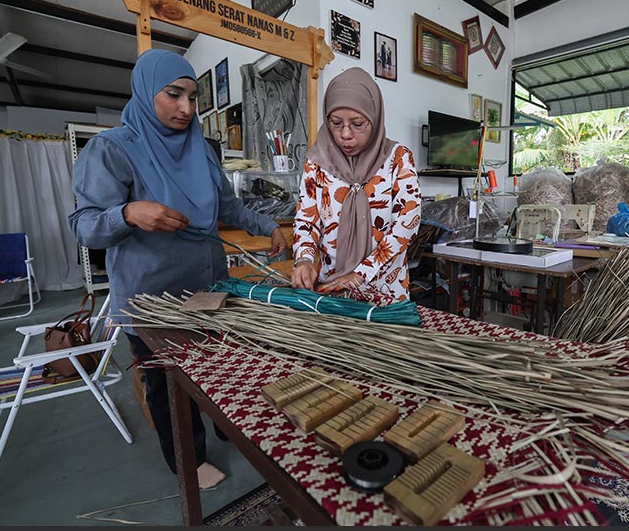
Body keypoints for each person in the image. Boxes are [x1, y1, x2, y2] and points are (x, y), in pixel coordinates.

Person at [69, 49, 287, 488]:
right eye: (173, 95)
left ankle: (229, 424)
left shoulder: (200, 149)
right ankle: (188, 457)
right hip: (153, 299)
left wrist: (267, 226)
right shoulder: (112, 150)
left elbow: (226, 204)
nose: (186, 108)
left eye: (192, 97)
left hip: (210, 287)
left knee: (222, 365)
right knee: (169, 384)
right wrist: (128, 214)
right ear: (147, 92)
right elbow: (85, 227)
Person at [292, 67, 420, 301]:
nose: (345, 134)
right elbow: (307, 220)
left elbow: (406, 225)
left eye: (358, 123)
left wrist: (360, 273)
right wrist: (305, 259)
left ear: (375, 117)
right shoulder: (317, 163)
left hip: (385, 291)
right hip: (331, 292)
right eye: (335, 123)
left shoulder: (397, 159)